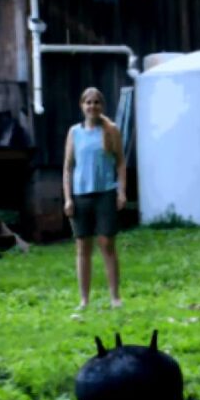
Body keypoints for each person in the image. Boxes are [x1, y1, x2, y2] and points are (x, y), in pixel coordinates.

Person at [63, 87, 127, 310]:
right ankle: (84, 299)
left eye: (96, 102)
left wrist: (121, 191)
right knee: (83, 247)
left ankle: (115, 297)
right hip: (81, 196)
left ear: (102, 106)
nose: (92, 106)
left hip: (106, 193)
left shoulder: (111, 130)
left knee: (107, 244)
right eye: (88, 102)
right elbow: (68, 168)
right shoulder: (74, 132)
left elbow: (120, 162)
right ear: (82, 106)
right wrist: (68, 198)